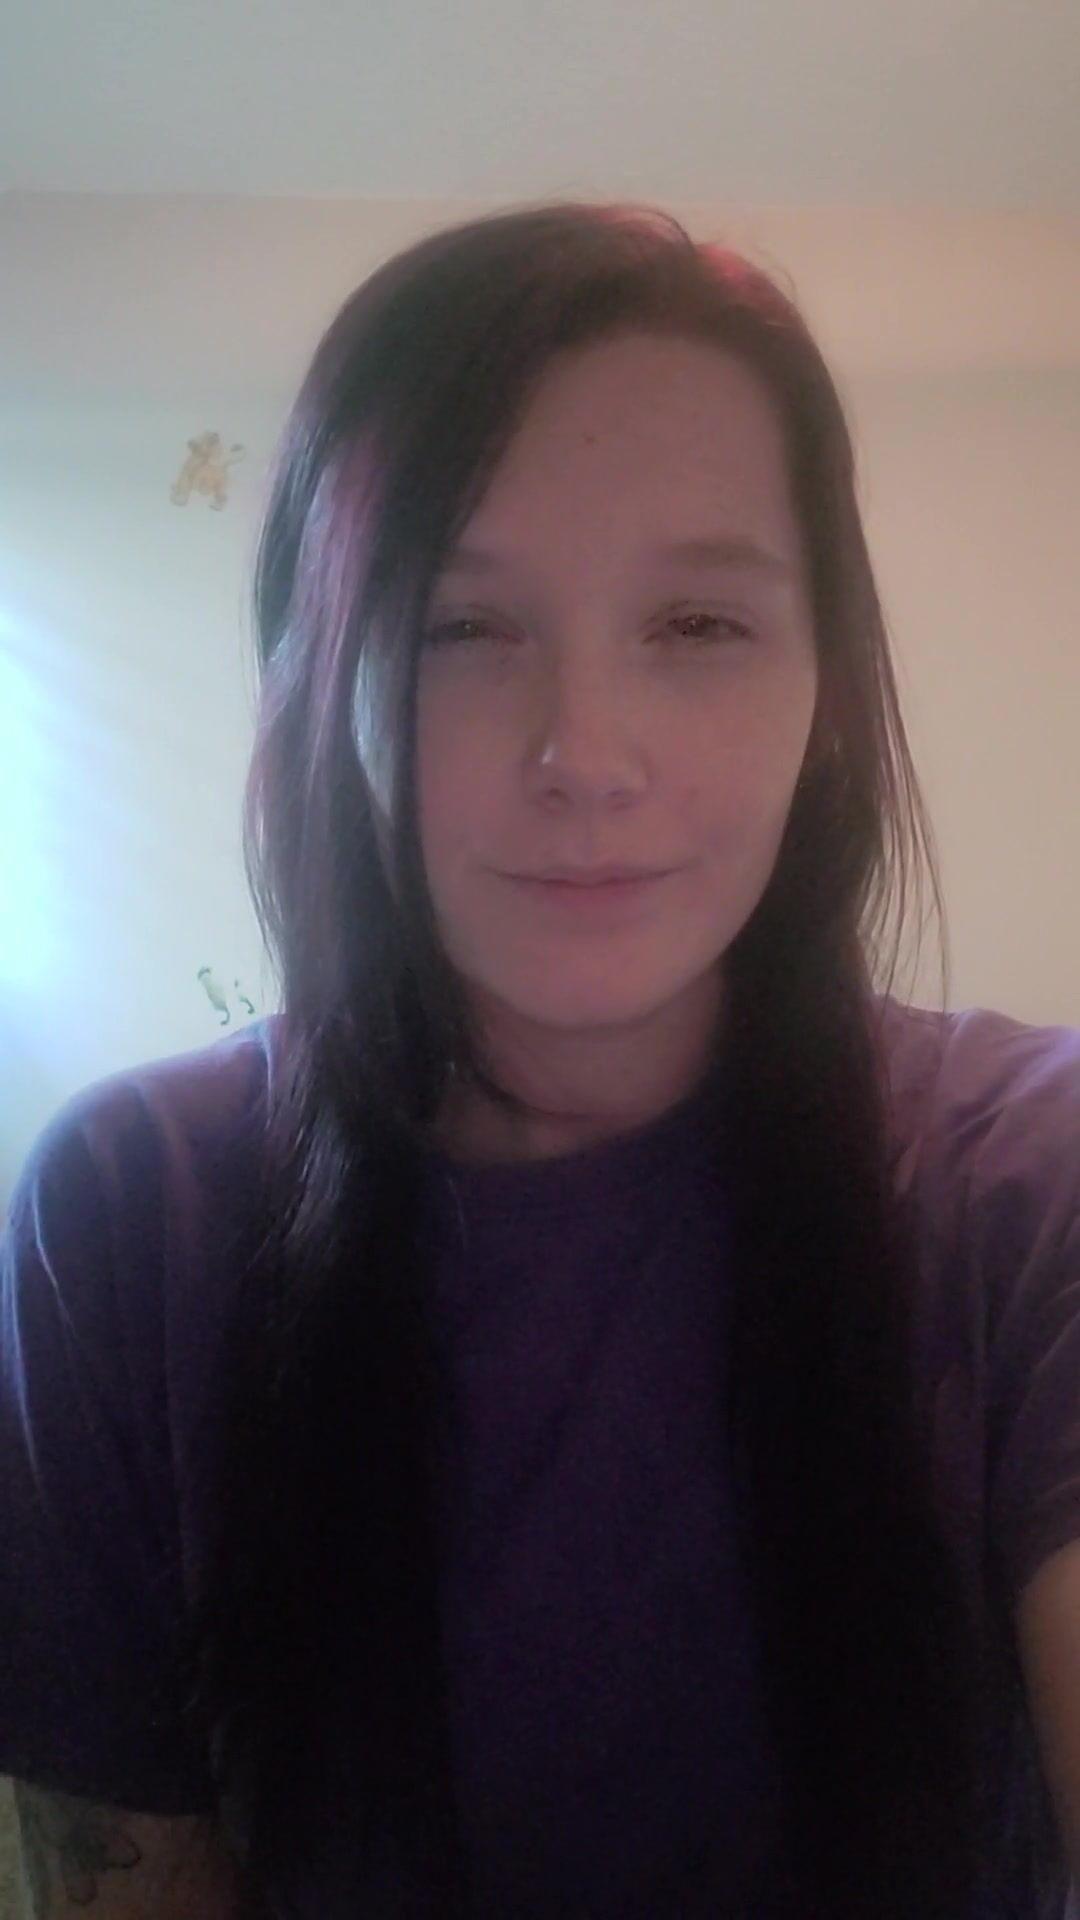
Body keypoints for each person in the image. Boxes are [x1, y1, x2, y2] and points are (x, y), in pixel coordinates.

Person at [2, 201, 1080, 1920]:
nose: (585, 751)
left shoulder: (1031, 1181)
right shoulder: (131, 1212)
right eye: (459, 626)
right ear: (323, 682)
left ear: (825, 688)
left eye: (700, 626)